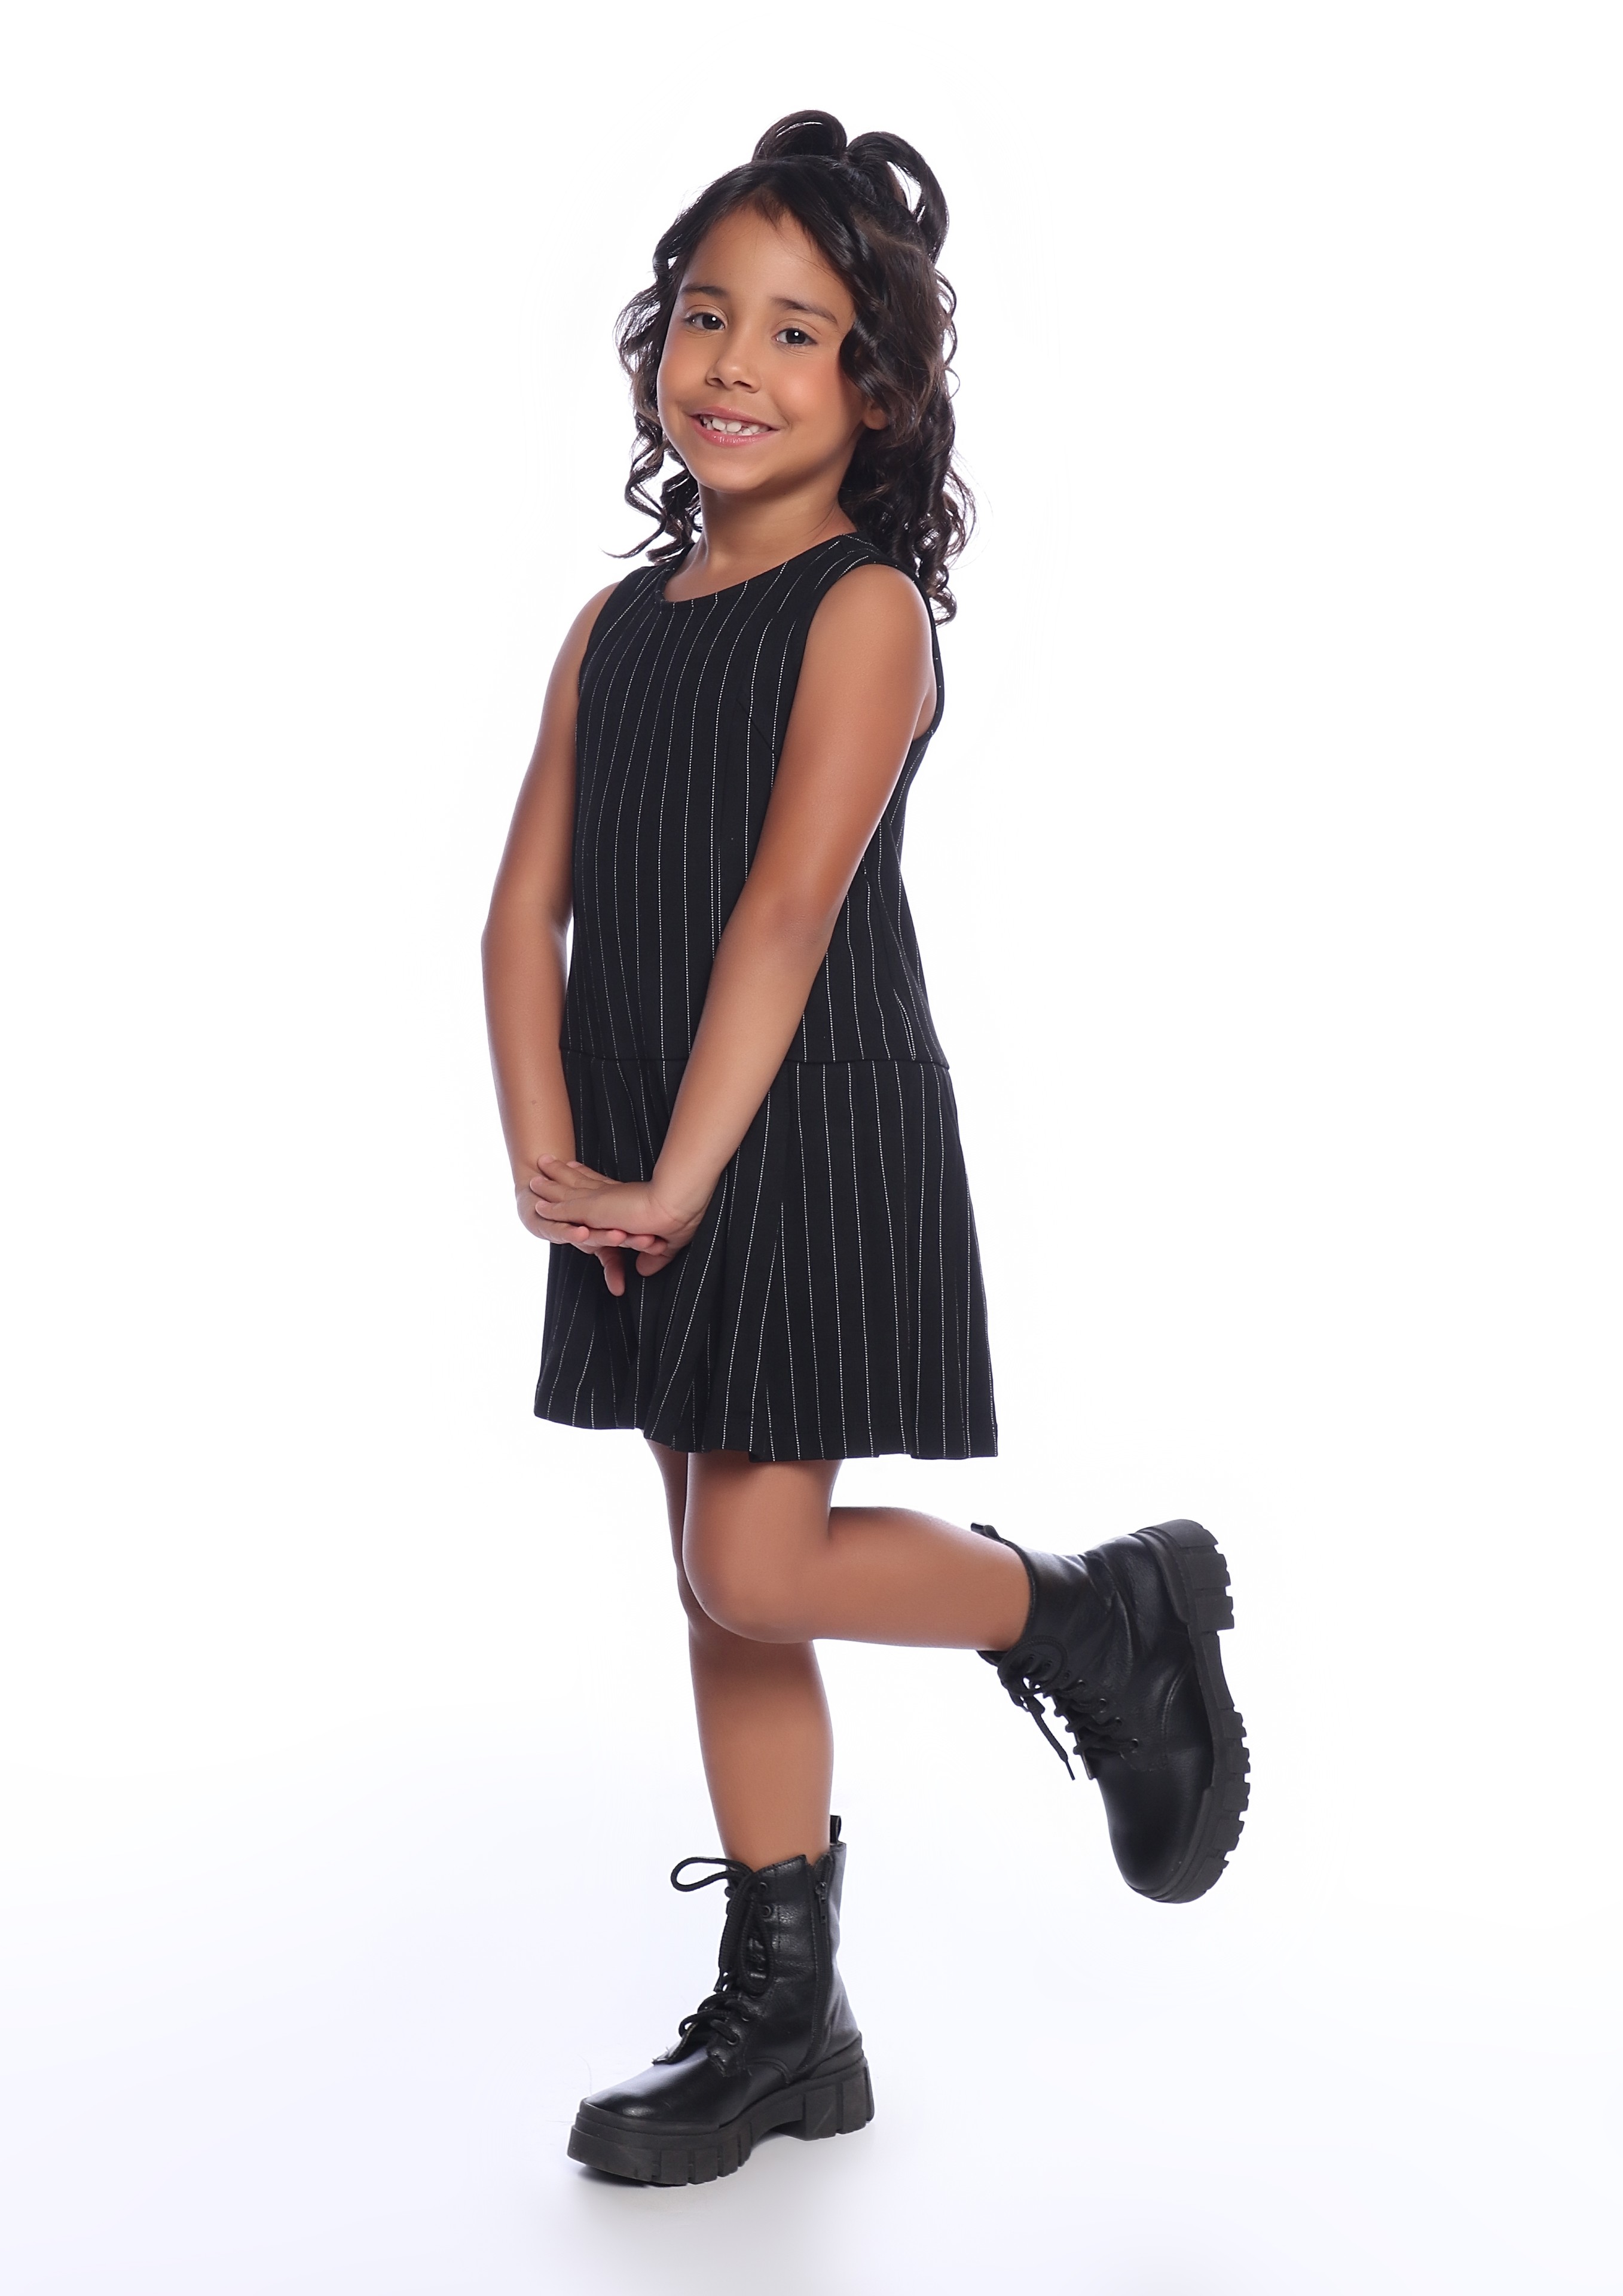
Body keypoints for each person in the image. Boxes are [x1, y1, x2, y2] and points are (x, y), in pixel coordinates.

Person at [482, 110, 1249, 2188]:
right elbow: (521, 907)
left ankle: (1086, 1612)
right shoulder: (614, 622)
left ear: (880, 389)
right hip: (637, 1143)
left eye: (797, 331)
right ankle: (785, 2016)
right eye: (703, 315)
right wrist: (554, 1154)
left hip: (799, 1128)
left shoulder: (863, 612)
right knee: (720, 1590)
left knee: (753, 1557)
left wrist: (678, 1176)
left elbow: (785, 914)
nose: (733, 362)